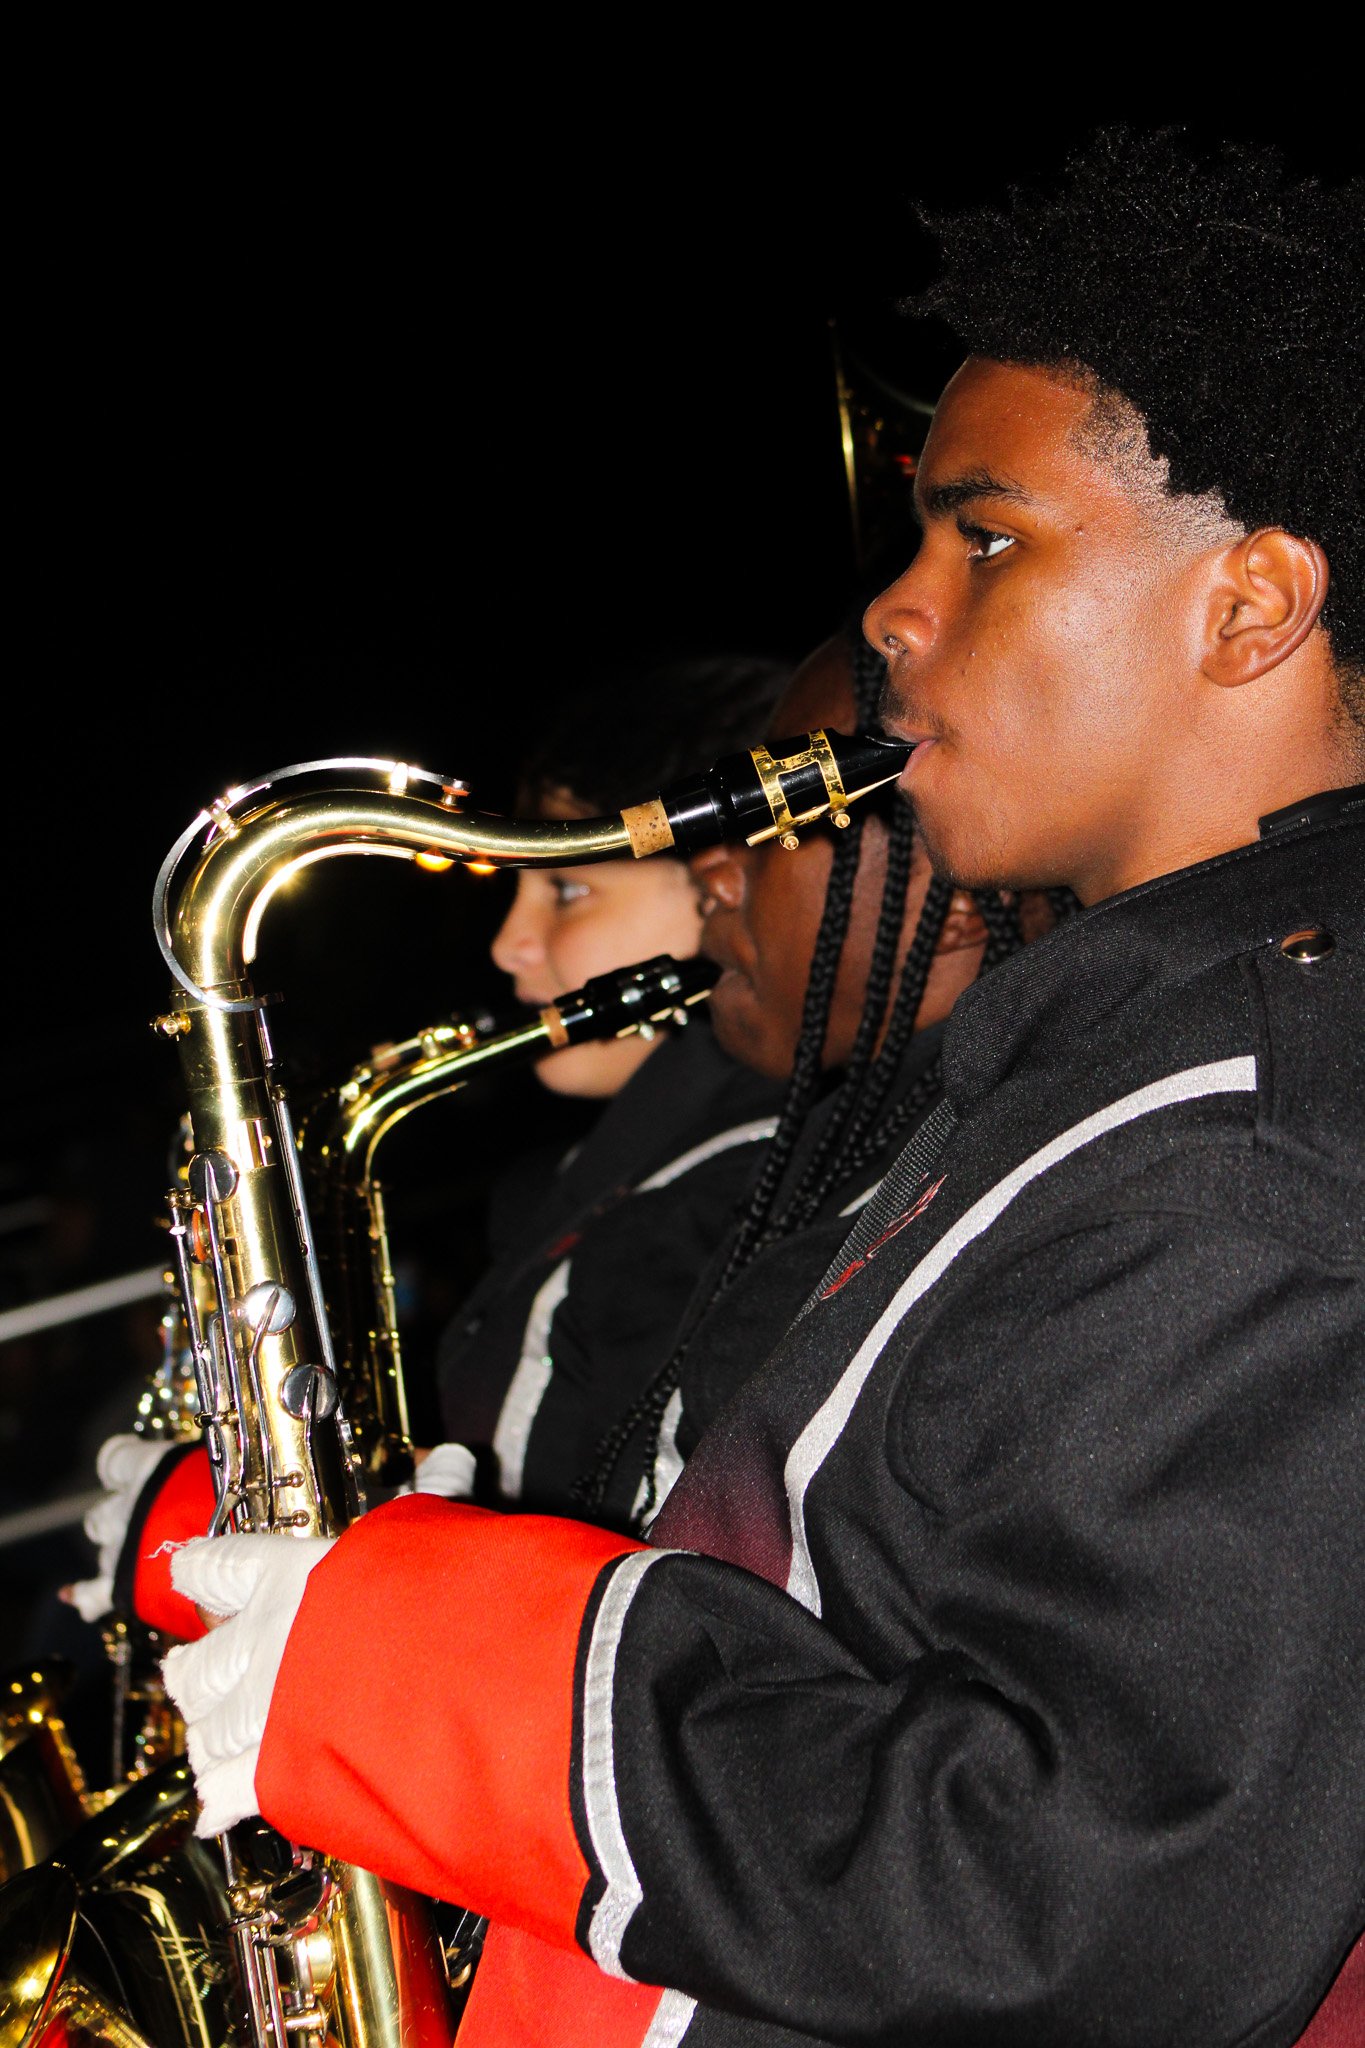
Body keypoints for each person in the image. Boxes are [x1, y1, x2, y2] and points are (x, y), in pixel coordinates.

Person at [169, 124, 1364, 2046]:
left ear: (1248, 605)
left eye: (981, 540)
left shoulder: (1264, 1130)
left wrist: (438, 1674)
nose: (893, 613)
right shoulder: (1116, 1059)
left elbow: (1084, 1902)